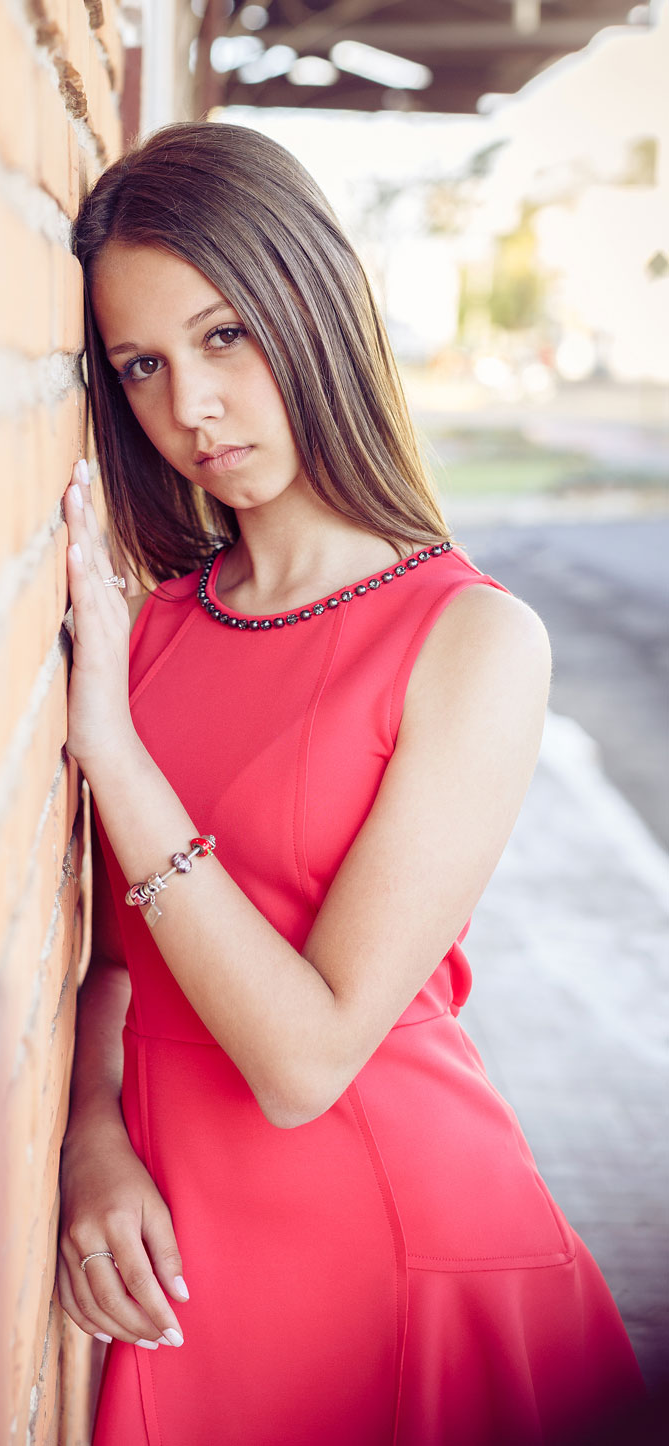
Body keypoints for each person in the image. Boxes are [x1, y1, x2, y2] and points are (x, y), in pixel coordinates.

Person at [56, 121, 644, 1446]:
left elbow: (309, 1057)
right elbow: (118, 960)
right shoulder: (153, 631)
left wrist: (116, 752)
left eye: (223, 338)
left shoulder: (474, 641)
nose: (189, 411)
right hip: (191, 1267)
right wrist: (92, 1133)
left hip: (401, 1251)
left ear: (312, 307)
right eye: (141, 366)